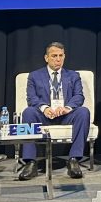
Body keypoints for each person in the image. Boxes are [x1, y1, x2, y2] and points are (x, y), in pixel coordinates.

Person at [18, 42, 91, 180]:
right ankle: (30, 162)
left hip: (65, 115)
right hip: (45, 115)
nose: (58, 59)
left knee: (83, 112)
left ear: (64, 56)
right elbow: (31, 98)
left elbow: (79, 96)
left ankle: (74, 160)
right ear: (46, 58)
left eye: (60, 56)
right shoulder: (34, 76)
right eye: (54, 56)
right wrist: (45, 108)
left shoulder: (73, 75)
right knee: (28, 112)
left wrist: (67, 108)